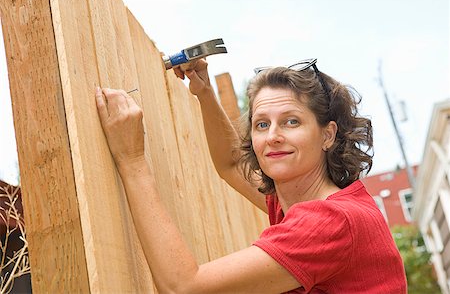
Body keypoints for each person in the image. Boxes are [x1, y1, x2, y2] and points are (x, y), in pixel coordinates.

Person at [95, 58, 407, 293]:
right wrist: (204, 92)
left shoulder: (330, 221)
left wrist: (131, 159)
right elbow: (232, 165)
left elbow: (184, 286)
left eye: (291, 122)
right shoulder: (303, 197)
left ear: (327, 135)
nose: (273, 136)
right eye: (261, 124)